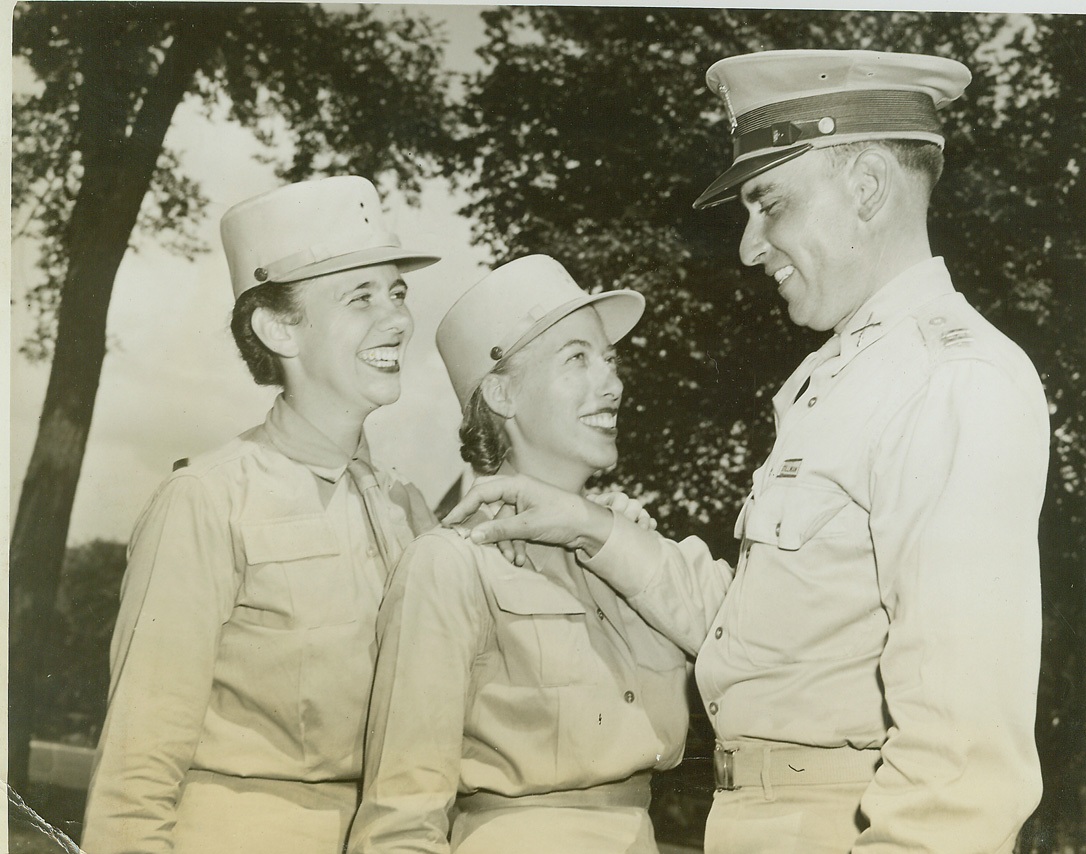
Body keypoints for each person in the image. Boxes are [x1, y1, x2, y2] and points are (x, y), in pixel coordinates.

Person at [444, 50, 1050, 853]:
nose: (749, 246)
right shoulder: (838, 379)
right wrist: (587, 525)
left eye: (769, 204)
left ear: (866, 187)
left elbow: (963, 759)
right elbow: (755, 633)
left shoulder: (950, 380)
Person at [81, 175, 440, 854]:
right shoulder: (209, 500)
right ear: (277, 327)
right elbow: (135, 769)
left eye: (397, 293)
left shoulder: (406, 511)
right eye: (360, 297)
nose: (399, 319)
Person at [350, 255, 690, 854]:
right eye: (577, 359)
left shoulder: (634, 549)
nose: (612, 383)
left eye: (610, 360)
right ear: (502, 393)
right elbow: (402, 815)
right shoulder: (454, 562)